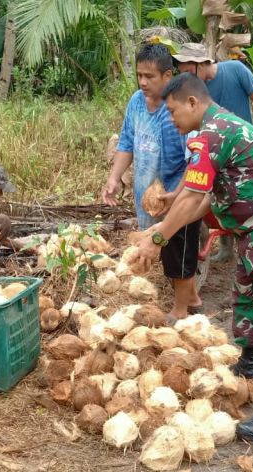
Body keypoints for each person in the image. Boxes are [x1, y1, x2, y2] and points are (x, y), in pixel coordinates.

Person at [135, 73, 253, 440]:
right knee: (245, 294)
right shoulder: (215, 128)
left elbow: (192, 201)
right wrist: (171, 207)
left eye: (172, 112)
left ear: (192, 103)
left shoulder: (211, 133)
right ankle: (249, 367)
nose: (171, 120)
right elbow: (201, 198)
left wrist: (156, 238)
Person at [102, 43, 203, 320]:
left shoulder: (179, 109)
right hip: (146, 193)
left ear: (168, 76)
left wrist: (179, 194)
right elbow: (126, 142)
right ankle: (188, 298)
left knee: (178, 249)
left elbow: (193, 159)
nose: (143, 82)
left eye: (150, 76)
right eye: (140, 76)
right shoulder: (136, 102)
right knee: (166, 250)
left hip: (177, 196)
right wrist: (113, 178)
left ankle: (183, 306)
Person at [172, 42, 253, 262]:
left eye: (189, 72)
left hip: (244, 151)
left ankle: (251, 245)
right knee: (219, 193)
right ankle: (229, 247)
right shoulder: (198, 93)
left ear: (201, 64)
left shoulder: (235, 70)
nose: (187, 80)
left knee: (246, 199)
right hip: (219, 153)